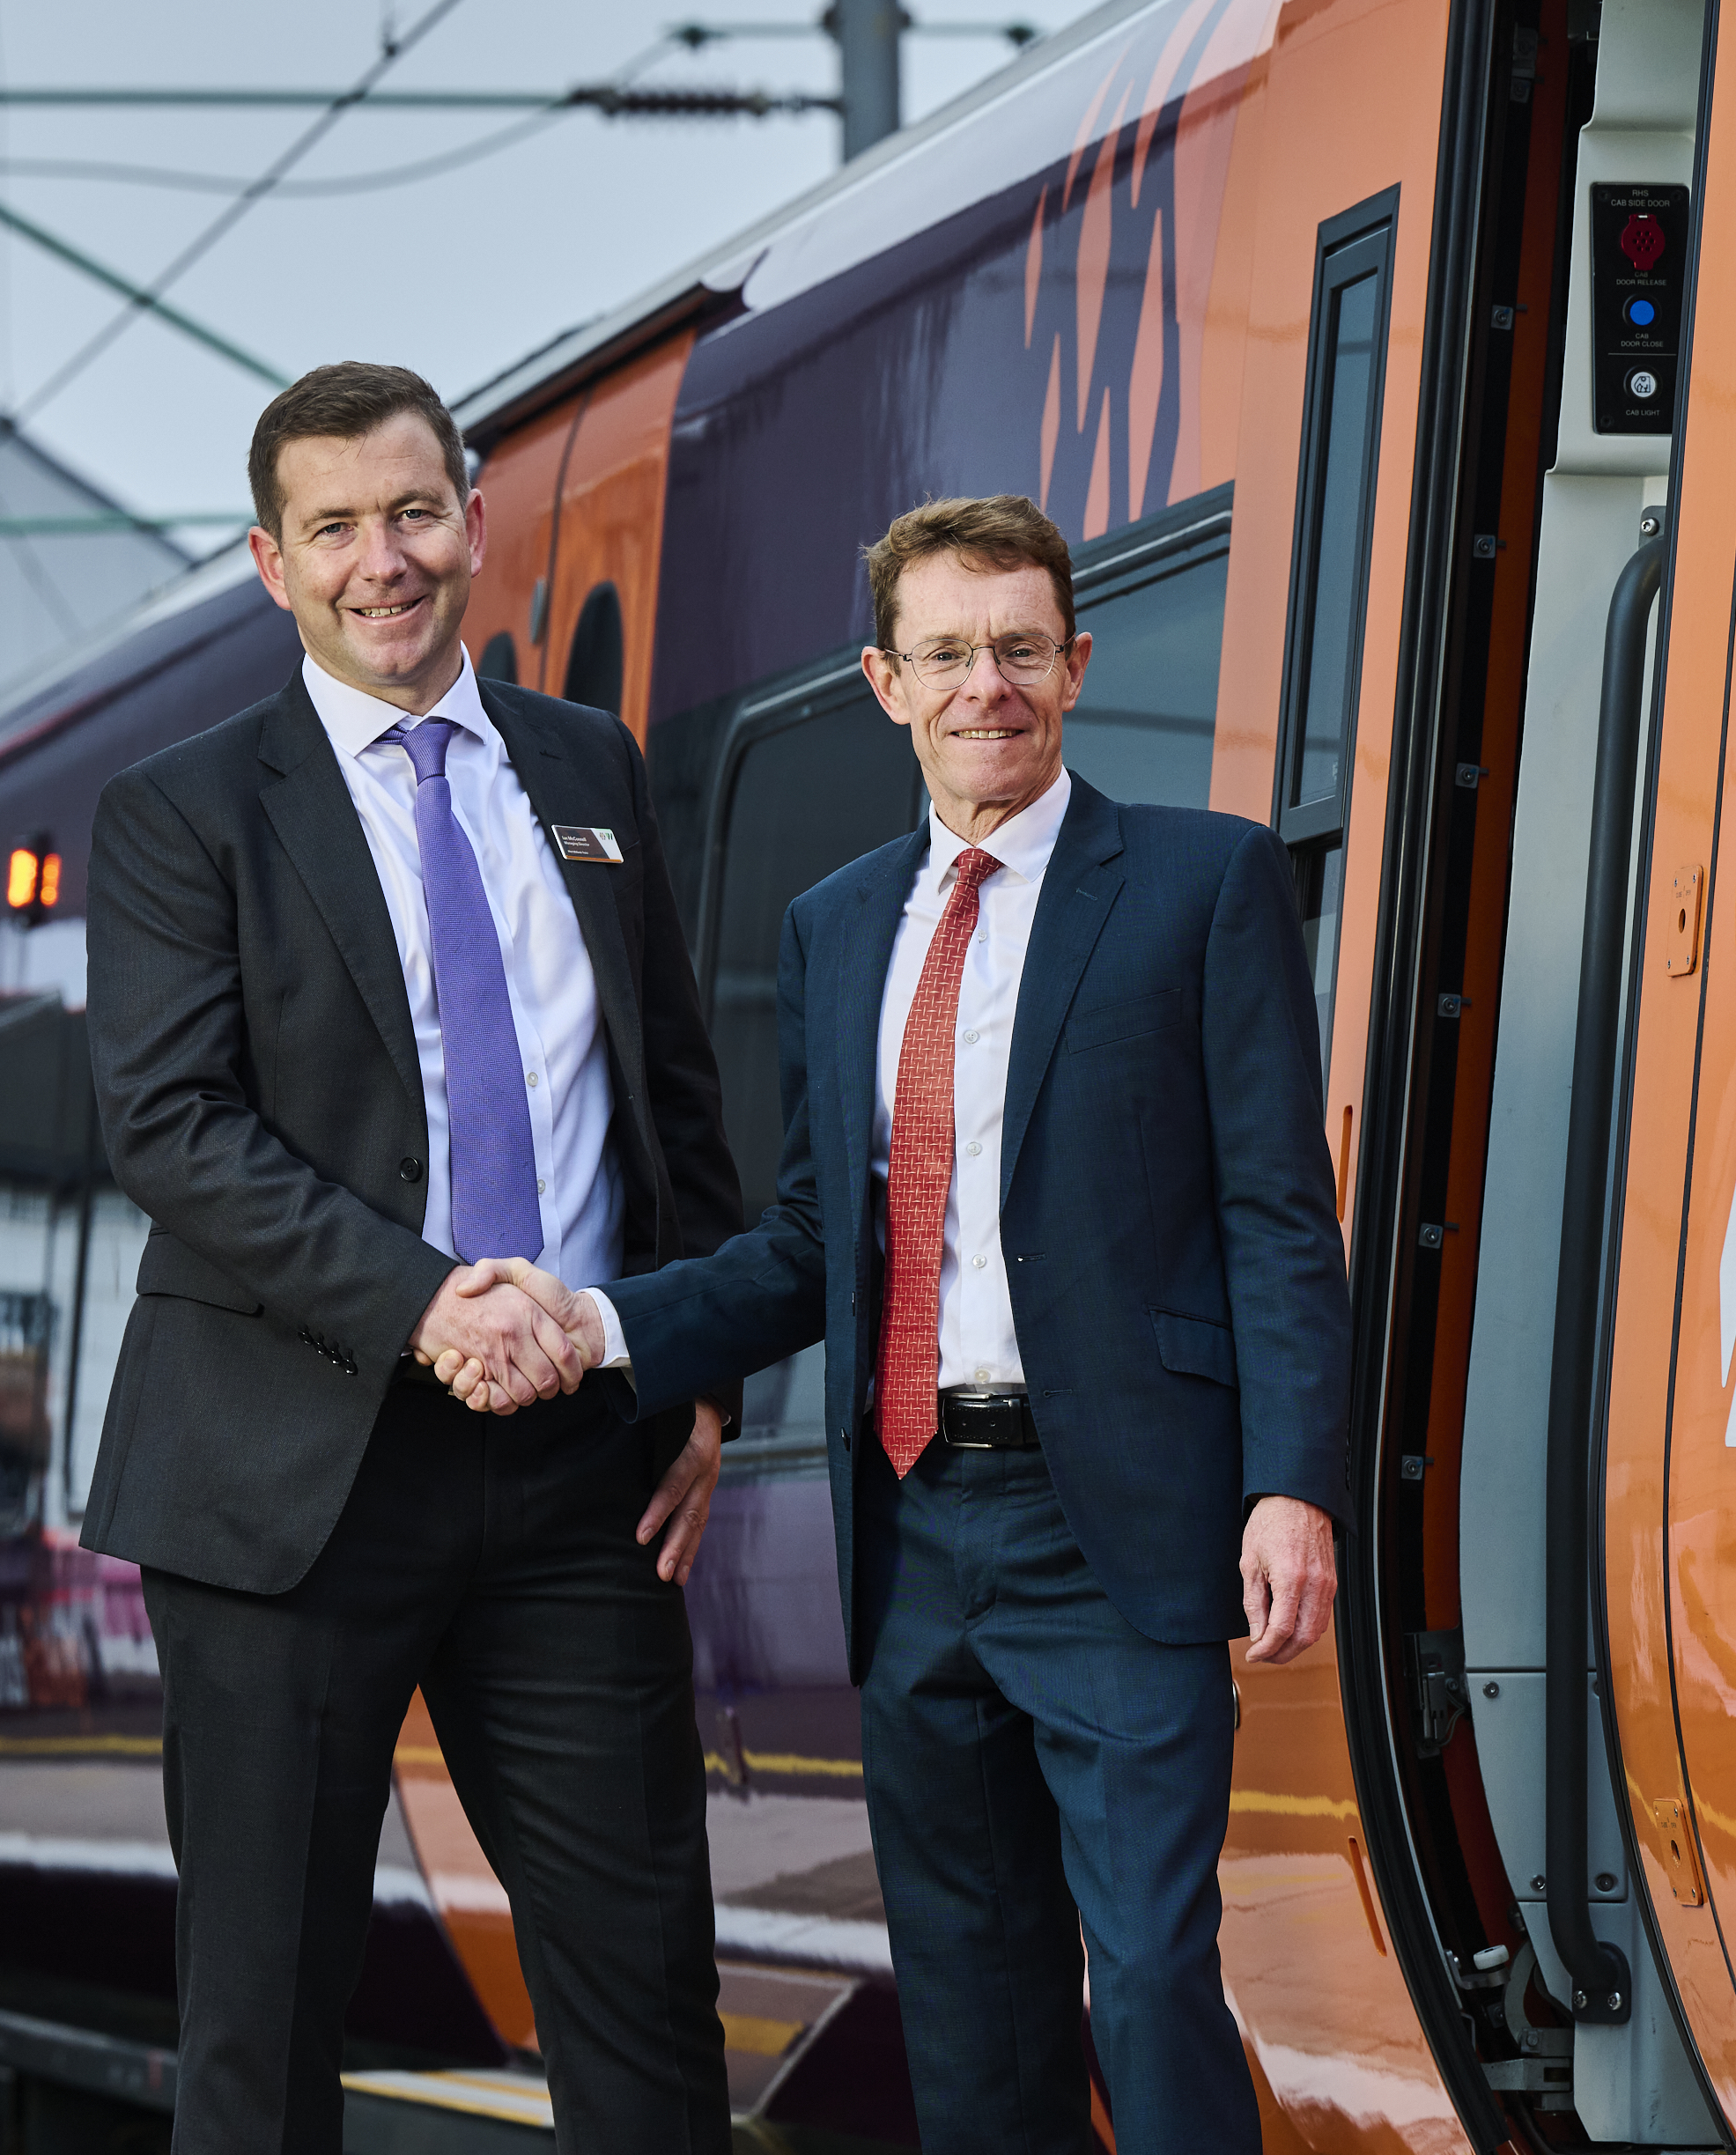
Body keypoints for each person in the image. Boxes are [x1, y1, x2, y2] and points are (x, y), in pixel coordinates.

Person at [440, 494, 1351, 2155]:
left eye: (1017, 649)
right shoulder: (837, 924)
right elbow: (810, 1239)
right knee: (970, 1994)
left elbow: (1279, 1213)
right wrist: (598, 1323)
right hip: (918, 1529)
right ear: (884, 681)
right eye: (945, 653)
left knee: (1146, 1973)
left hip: (1123, 1530)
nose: (983, 685)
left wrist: (1292, 1485)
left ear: (1077, 667)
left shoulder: (1200, 883)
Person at [83, 361, 743, 2154]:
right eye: (336, 529)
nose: (385, 560)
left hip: (575, 1480)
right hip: (290, 1485)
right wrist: (422, 1302)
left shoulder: (588, 766)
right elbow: (172, 1130)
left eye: (415, 513)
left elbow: (670, 1100)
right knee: (267, 2012)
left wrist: (695, 1380)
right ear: (269, 562)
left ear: (471, 525)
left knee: (643, 2001)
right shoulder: (182, 812)